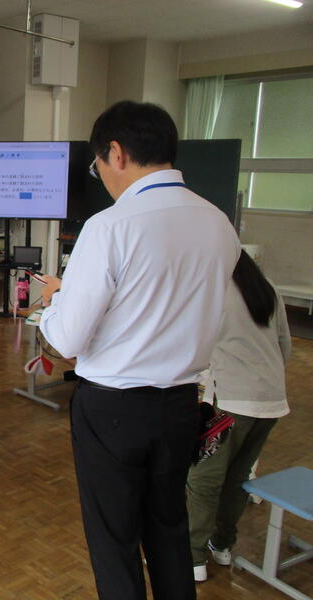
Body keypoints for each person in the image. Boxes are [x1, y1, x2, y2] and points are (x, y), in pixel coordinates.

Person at [38, 100, 241, 600]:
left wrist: (55, 302)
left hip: (113, 409)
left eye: (98, 165)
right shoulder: (218, 222)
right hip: (181, 404)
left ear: (116, 152)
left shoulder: (110, 226)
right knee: (168, 530)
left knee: (115, 542)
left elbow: (67, 340)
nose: (103, 177)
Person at [186, 251, 291, 582]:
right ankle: (222, 544)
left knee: (203, 478)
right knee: (238, 476)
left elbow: (194, 347)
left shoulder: (213, 290)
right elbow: (284, 345)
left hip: (230, 404)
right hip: (270, 400)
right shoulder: (267, 287)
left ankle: (192, 557)